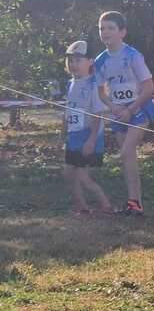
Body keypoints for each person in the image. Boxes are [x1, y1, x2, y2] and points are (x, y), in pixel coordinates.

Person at [93, 10, 154, 216]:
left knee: (125, 151)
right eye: (102, 28)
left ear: (122, 32)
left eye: (110, 28)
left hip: (139, 109)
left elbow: (149, 88)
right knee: (128, 158)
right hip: (118, 112)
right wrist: (114, 108)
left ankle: (134, 202)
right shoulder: (100, 61)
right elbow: (101, 92)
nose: (105, 32)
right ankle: (135, 203)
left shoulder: (132, 55)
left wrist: (131, 109)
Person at [62, 40, 111, 216]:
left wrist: (91, 140)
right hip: (73, 137)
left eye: (78, 60)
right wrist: (62, 135)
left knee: (83, 177)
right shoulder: (70, 84)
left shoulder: (94, 85)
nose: (73, 65)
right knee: (69, 173)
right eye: (70, 61)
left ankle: (106, 206)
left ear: (90, 61)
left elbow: (98, 114)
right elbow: (67, 112)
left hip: (89, 137)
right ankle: (81, 207)